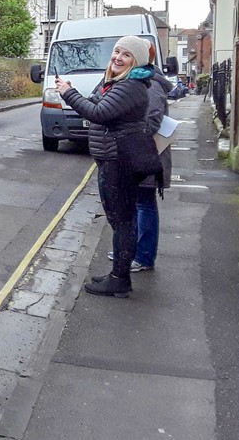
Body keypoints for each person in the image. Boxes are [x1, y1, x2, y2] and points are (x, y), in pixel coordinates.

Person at [54, 35, 155, 297]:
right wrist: (76, 93)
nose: (118, 58)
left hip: (119, 159)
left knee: (122, 220)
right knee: (118, 218)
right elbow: (94, 103)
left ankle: (120, 280)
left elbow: (98, 113)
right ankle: (117, 275)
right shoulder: (114, 82)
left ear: (137, 61)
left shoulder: (130, 86)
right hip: (111, 157)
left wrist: (68, 93)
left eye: (126, 55)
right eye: (117, 51)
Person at [107, 54, 173, 273]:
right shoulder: (136, 81)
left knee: (144, 203)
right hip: (140, 151)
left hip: (145, 153)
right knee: (135, 203)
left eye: (128, 54)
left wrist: (128, 133)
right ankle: (130, 250)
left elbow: (152, 120)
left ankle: (143, 256)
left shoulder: (151, 85)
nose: (119, 58)